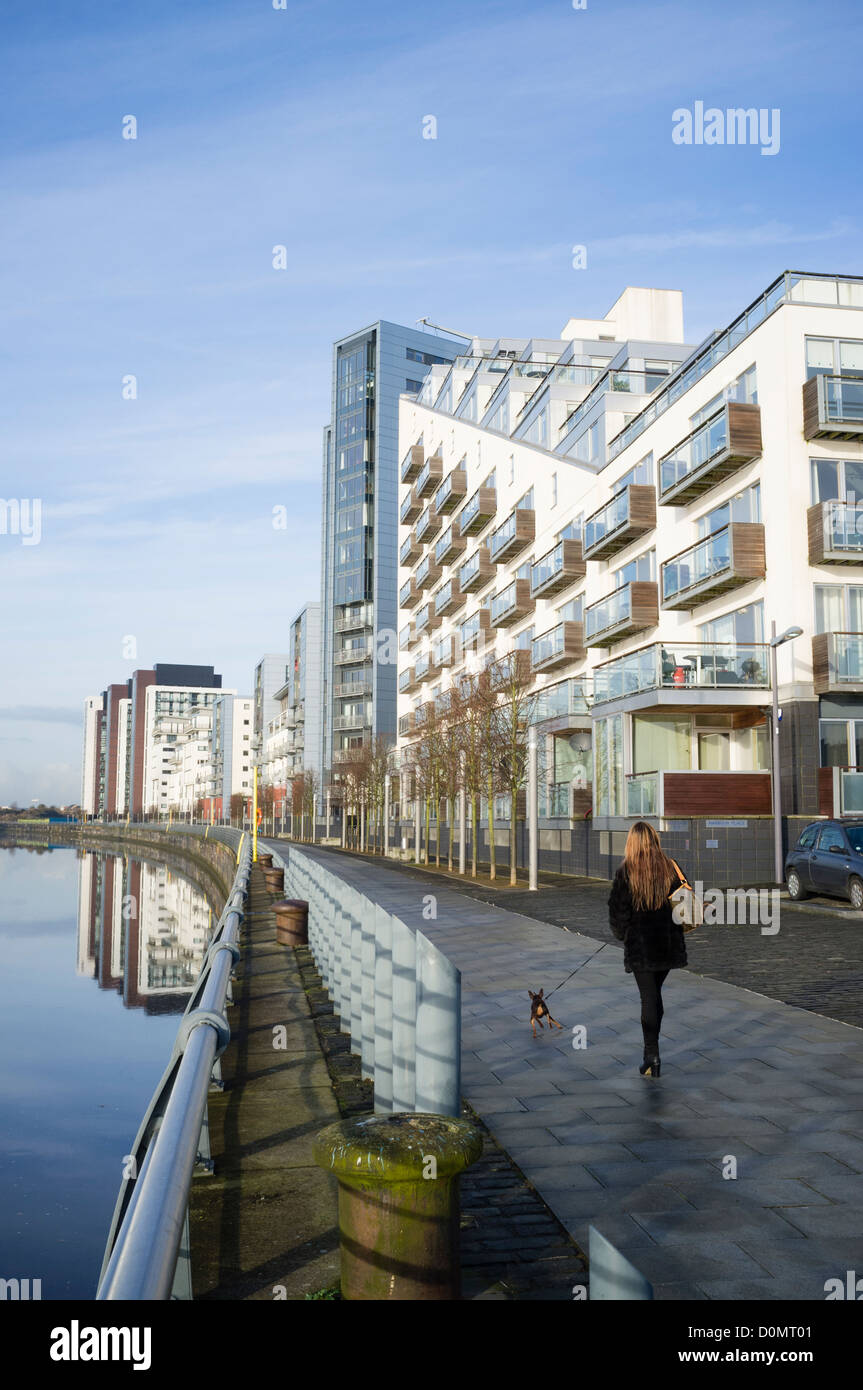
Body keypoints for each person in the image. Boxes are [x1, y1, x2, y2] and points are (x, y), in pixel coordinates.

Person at [608, 821, 688, 1077]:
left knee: (648, 998)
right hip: (666, 944)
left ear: (632, 841)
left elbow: (617, 912)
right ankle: (651, 1054)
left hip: (641, 948)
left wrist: (623, 934)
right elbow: (683, 901)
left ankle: (651, 1055)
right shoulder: (669, 867)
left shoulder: (626, 871)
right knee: (654, 996)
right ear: (654, 839)